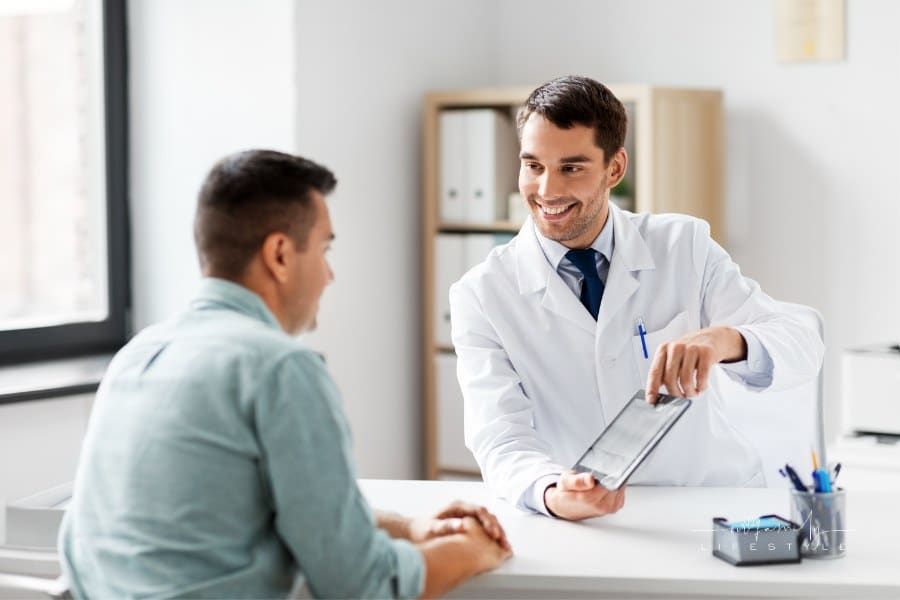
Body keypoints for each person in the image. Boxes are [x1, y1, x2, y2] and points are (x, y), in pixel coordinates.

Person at [59, 150, 511, 598]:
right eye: (324, 249)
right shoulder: (280, 370)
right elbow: (364, 586)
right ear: (279, 254)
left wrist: (411, 527)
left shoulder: (137, 356)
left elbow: (264, 510)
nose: (329, 275)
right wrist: (471, 551)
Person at [449, 76, 824, 522]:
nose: (547, 190)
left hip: (710, 505)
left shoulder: (683, 245)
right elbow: (500, 437)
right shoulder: (481, 294)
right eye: (533, 166)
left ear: (615, 168)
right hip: (587, 519)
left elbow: (802, 342)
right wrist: (551, 492)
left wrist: (723, 340)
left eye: (571, 168)